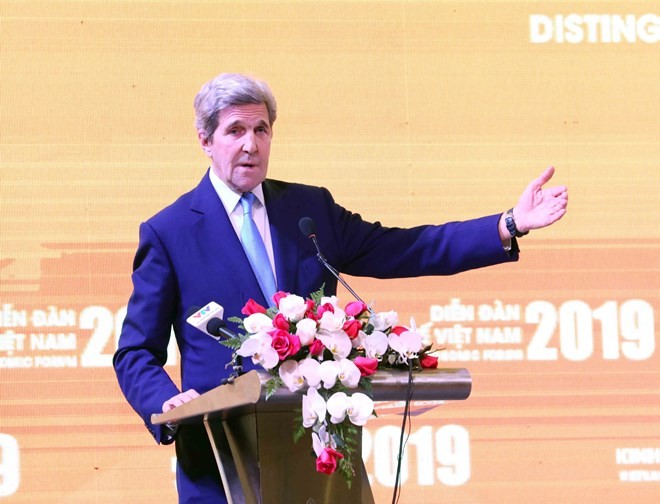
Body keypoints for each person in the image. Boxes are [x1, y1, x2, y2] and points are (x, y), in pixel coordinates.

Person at [113, 73, 568, 503]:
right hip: (222, 466)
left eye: (262, 129)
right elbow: (134, 352)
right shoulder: (169, 232)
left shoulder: (310, 210)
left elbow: (406, 247)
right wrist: (165, 401)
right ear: (205, 140)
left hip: (321, 460)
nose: (251, 144)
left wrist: (507, 225)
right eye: (235, 130)